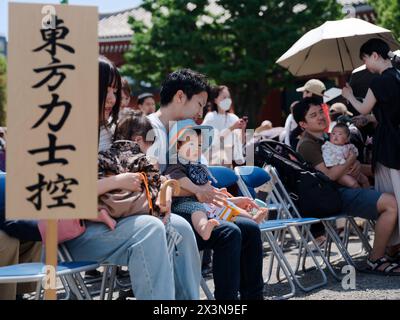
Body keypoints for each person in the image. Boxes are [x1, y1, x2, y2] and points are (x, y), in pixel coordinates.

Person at [65, 57, 201, 300]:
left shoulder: (109, 131)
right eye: (105, 90)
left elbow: (144, 171)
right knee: (150, 230)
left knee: (181, 227)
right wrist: (115, 183)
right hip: (77, 232)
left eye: (115, 91)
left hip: (116, 217)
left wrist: (164, 193)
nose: (112, 99)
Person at [147, 69, 265, 299]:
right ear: (180, 96)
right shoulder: (150, 129)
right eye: (199, 104)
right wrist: (199, 191)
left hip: (192, 205)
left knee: (249, 228)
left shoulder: (184, 131)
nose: (201, 112)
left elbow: (201, 180)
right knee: (228, 233)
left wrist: (226, 198)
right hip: (167, 211)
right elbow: (160, 182)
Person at [293, 97, 400, 274]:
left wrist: (376, 168)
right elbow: (330, 176)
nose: (320, 117)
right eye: (313, 115)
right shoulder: (307, 144)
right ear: (303, 124)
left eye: (321, 112)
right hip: (333, 196)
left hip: (344, 190)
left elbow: (347, 168)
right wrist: (351, 160)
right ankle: (376, 259)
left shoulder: (329, 137)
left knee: (393, 194)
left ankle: (393, 249)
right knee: (392, 204)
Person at [342, 38, 400, 262]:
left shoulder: (378, 82)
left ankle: (391, 247)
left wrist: (349, 97)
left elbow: (363, 106)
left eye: (365, 59)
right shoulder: (397, 76)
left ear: (375, 55)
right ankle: (393, 247)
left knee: (391, 192)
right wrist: (371, 118)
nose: (366, 65)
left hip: (389, 144)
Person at [165, 121, 268, 240]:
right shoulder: (176, 163)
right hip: (183, 202)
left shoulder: (197, 165)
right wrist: (197, 190)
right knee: (198, 209)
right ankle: (203, 228)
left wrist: (217, 192)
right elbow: (180, 180)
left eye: (199, 145)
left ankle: (252, 217)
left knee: (225, 203)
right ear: (178, 146)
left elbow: (205, 185)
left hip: (204, 200)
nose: (197, 149)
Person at [202, 85, 246, 167]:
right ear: (215, 100)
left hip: (227, 160)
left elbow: (241, 142)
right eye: (224, 97)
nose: (227, 100)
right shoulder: (211, 117)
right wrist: (232, 127)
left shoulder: (233, 118)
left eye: (228, 97)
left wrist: (242, 129)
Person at [322, 123, 369, 188]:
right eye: (333, 133)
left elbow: (355, 155)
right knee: (353, 183)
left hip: (351, 169)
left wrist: (353, 159)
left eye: (340, 134)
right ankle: (362, 195)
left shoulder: (349, 147)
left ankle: (367, 191)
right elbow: (329, 160)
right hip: (340, 172)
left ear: (347, 139)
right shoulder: (328, 146)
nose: (335, 136)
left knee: (365, 179)